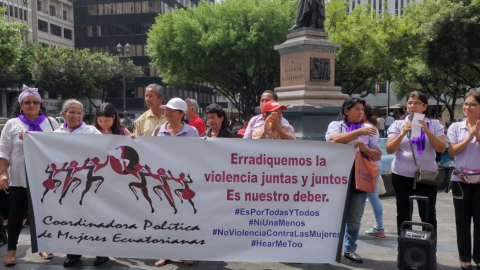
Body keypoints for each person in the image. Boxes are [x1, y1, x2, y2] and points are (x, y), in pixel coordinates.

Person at [0, 85, 59, 266]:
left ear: (40, 104)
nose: (32, 105)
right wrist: (3, 173)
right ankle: (11, 249)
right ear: (21, 105)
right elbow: (3, 151)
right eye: (28, 102)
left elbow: (61, 146)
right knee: (16, 213)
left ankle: (43, 244)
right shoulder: (12, 124)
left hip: (45, 178)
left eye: (35, 102)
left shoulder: (51, 123)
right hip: (19, 178)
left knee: (43, 213)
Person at [326, 97, 381, 264]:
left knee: (355, 217)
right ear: (346, 111)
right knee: (334, 215)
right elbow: (333, 140)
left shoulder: (369, 130)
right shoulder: (336, 126)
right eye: (357, 109)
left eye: (362, 110)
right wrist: (358, 133)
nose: (360, 112)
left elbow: (378, 154)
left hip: (360, 177)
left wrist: (366, 149)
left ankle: (350, 250)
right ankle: (329, 249)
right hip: (338, 177)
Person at [54, 99, 107, 267]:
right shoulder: (54, 135)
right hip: (67, 184)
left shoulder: (92, 132)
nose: (76, 116)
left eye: (79, 113)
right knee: (71, 218)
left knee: (94, 217)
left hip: (88, 183)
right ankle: (73, 253)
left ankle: (101, 252)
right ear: (64, 114)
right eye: (72, 112)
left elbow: (106, 149)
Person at [386, 91, 445, 236]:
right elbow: (389, 149)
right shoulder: (398, 124)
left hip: (427, 175)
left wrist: (427, 130)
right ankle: (405, 247)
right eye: (409, 103)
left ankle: (430, 249)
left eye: (416, 103)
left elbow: (441, 148)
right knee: (403, 212)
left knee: (428, 213)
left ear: (424, 107)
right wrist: (402, 133)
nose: (412, 106)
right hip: (402, 174)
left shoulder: (434, 124)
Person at [151, 98, 197, 267]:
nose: (167, 112)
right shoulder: (157, 130)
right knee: (163, 216)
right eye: (166, 109)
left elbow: (198, 155)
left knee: (184, 215)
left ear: (182, 114)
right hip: (162, 181)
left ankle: (185, 251)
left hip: (183, 181)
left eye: (172, 110)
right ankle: (165, 252)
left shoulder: (192, 132)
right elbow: (148, 151)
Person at [447, 91, 480, 270]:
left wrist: (477, 135)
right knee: (462, 221)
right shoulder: (455, 127)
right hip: (460, 180)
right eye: (466, 104)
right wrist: (469, 137)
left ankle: (479, 257)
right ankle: (465, 259)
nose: (467, 107)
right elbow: (452, 152)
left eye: (472, 104)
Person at [362, 105, 386, 238]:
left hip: (368, 164)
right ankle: (379, 226)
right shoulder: (373, 127)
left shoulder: (365, 128)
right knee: (373, 196)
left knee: (372, 196)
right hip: (375, 163)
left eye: (360, 110)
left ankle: (379, 227)